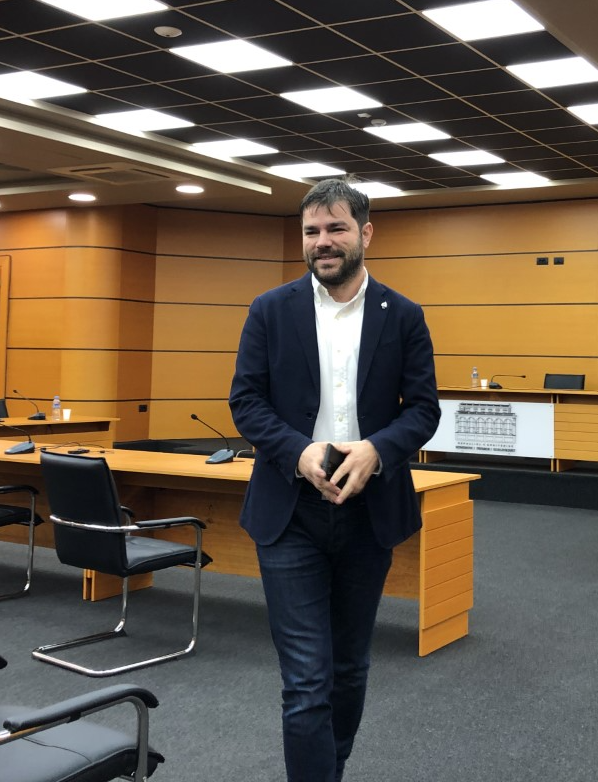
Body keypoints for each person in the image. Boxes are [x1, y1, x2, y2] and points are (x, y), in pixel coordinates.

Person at [229, 177, 441, 782]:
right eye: (311, 231)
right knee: (305, 680)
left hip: (367, 515)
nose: (322, 241)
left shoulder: (403, 316)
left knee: (348, 670)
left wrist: (378, 450)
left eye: (336, 228)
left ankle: (331, 768)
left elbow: (423, 410)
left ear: (365, 233)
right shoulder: (270, 310)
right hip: (290, 512)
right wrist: (298, 452)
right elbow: (246, 402)